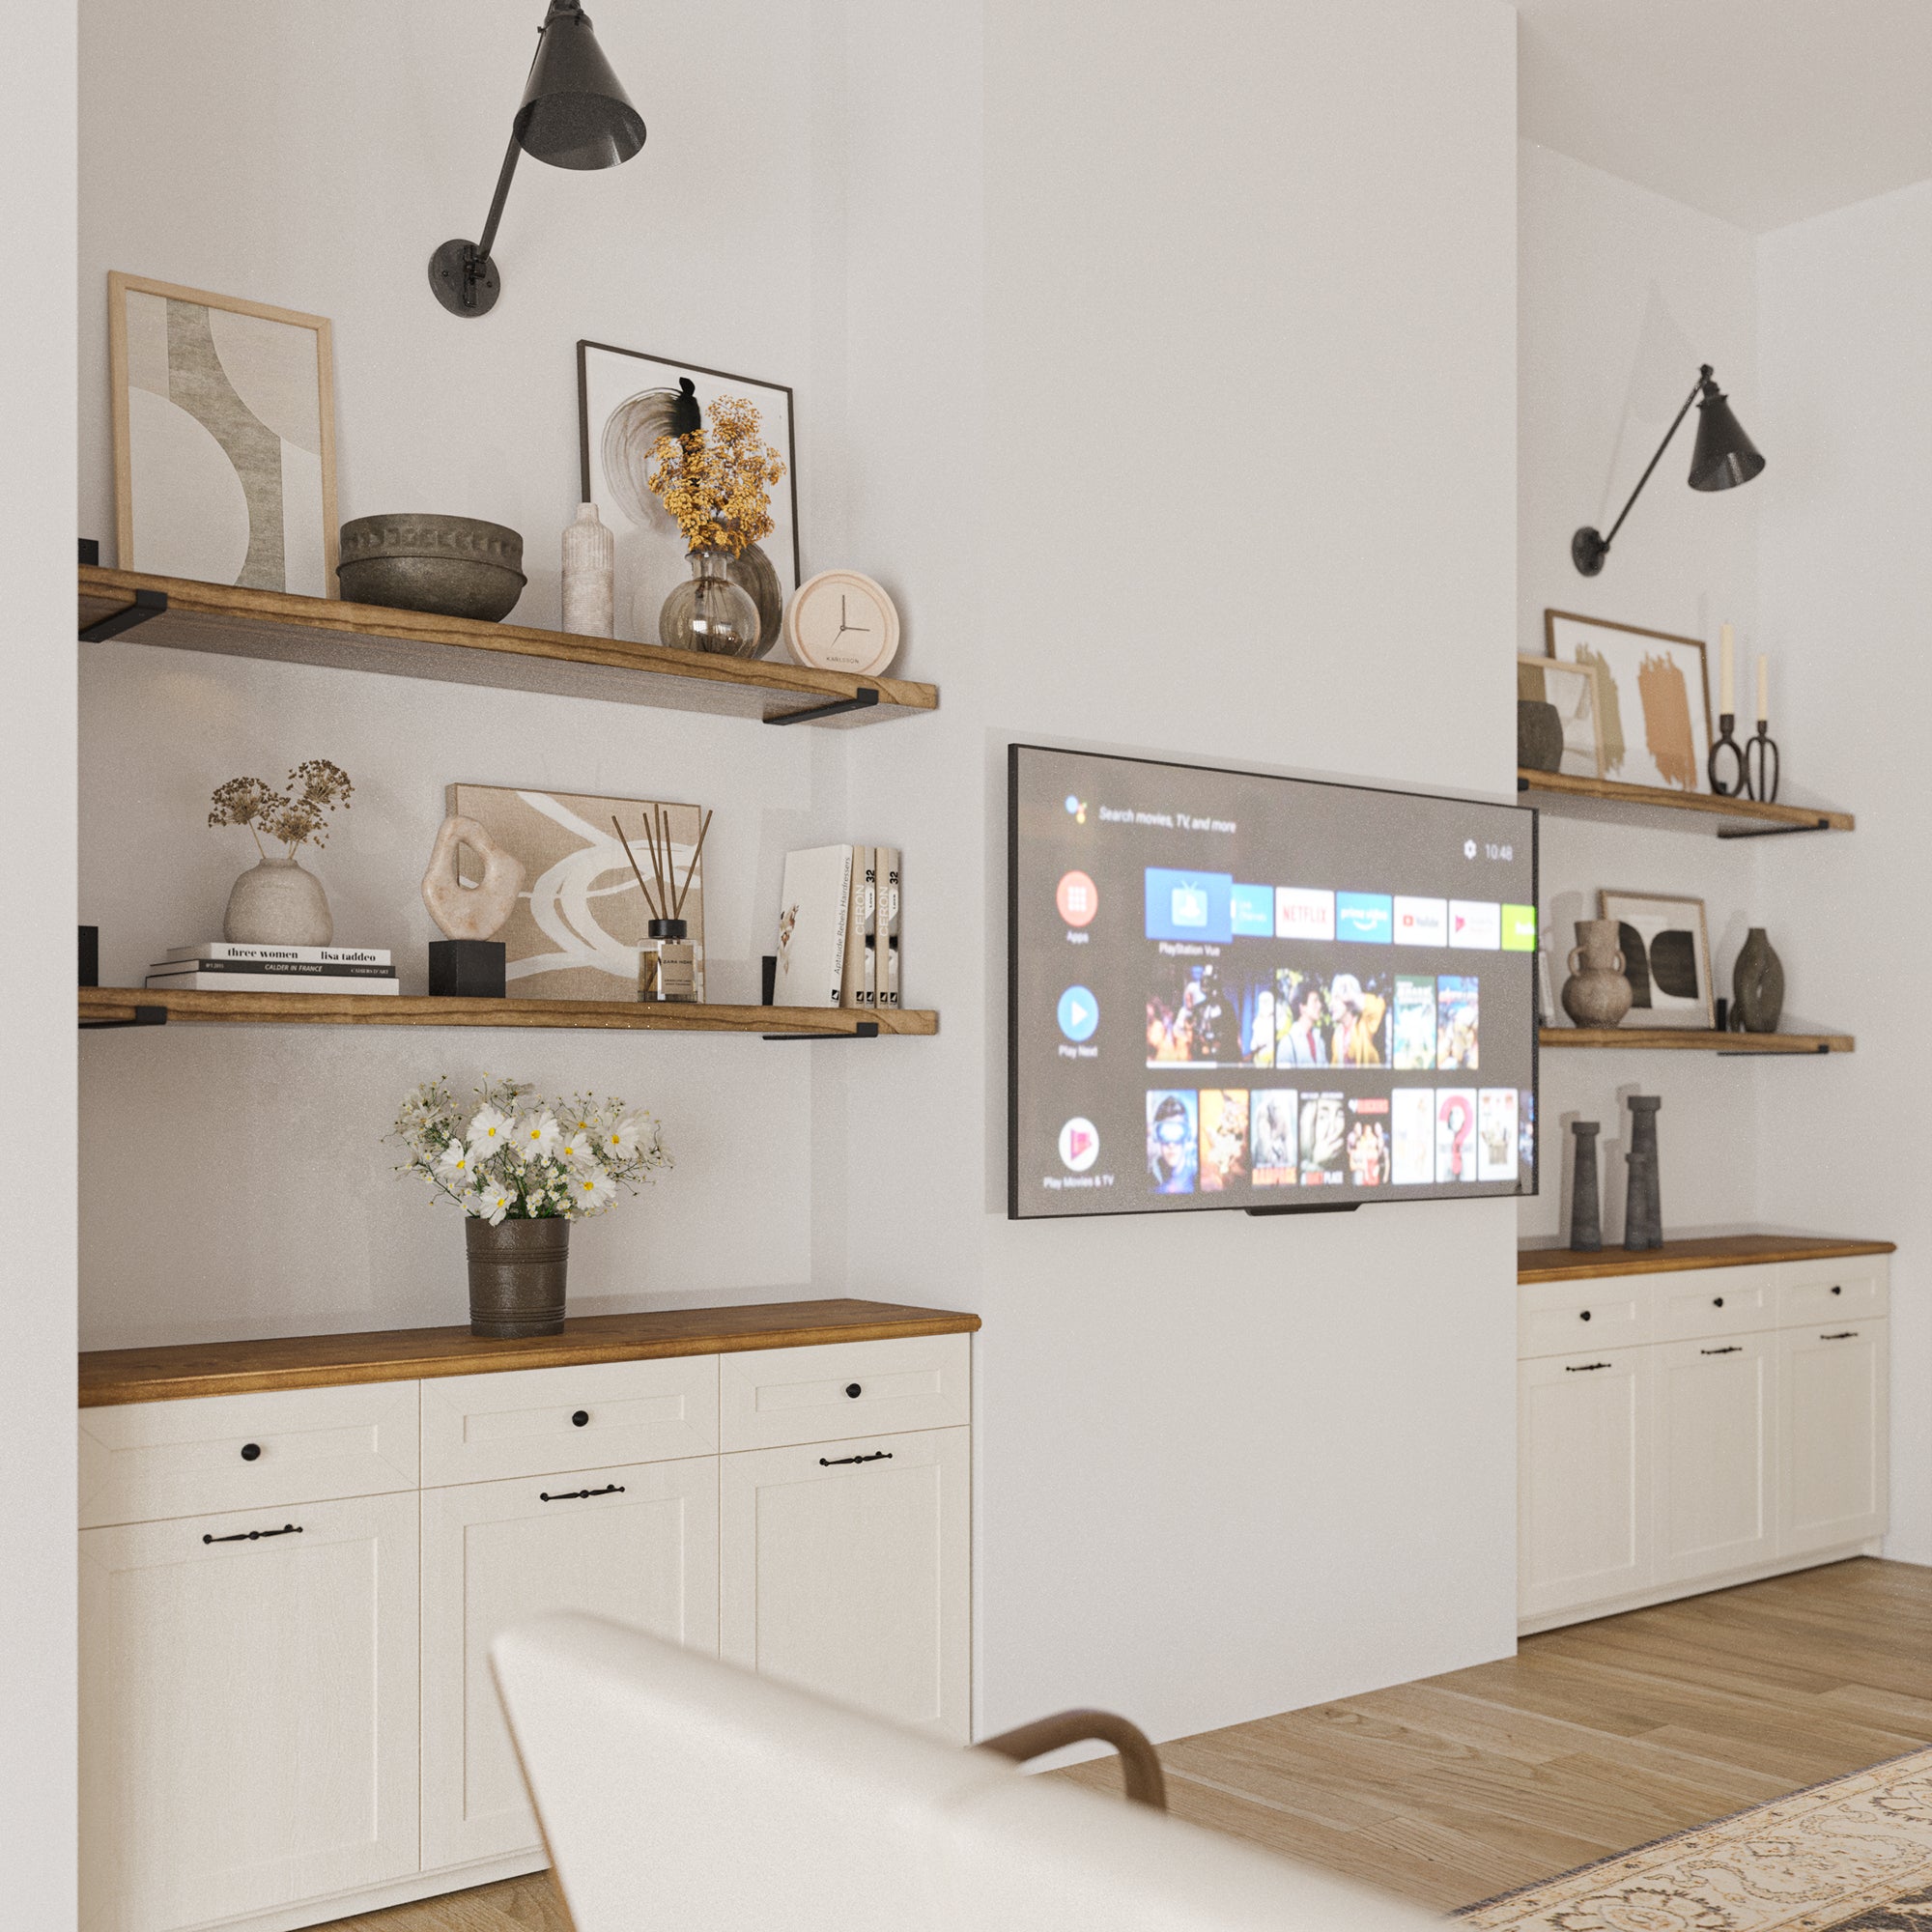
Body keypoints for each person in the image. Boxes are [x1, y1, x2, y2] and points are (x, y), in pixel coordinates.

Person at [1328, 974, 1387, 1066]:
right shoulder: (1337, 1035)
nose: (1330, 1004)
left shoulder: (1364, 1025)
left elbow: (1378, 1008)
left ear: (1350, 1001)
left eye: (1336, 998)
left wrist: (1353, 996)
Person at [1280, 980, 1328, 1067]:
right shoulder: (1287, 1044)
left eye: (1319, 1001)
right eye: (1315, 1001)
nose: (1320, 1005)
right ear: (1302, 1007)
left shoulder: (1319, 1041)